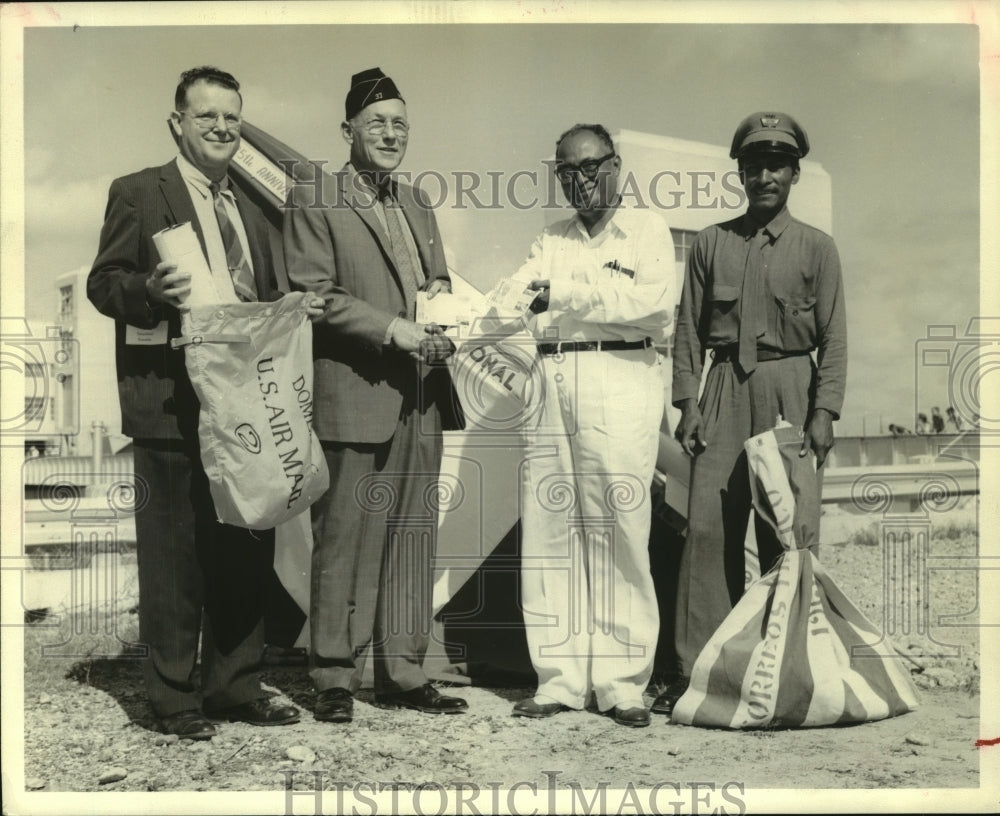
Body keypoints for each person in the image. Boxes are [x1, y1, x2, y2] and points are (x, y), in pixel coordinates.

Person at [88, 67, 316, 740]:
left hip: (244, 406)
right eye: (207, 116)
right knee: (175, 561)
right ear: (177, 124)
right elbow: (106, 285)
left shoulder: (252, 207)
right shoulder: (137, 192)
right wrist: (151, 292)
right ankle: (173, 699)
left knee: (245, 548)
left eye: (231, 118)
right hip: (169, 403)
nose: (221, 127)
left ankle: (236, 686)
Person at [283, 67, 466, 723]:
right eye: (377, 123)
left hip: (423, 394)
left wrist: (447, 322)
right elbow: (315, 294)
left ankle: (404, 672)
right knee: (342, 542)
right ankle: (333, 674)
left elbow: (437, 284)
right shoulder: (315, 195)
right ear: (347, 131)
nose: (391, 135)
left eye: (400, 125)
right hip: (355, 391)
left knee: (414, 538)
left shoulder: (419, 203)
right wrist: (395, 329)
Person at [659, 111, 847, 717]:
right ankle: (701, 672)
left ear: (794, 173)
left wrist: (825, 411)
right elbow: (687, 328)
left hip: (791, 387)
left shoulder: (817, 247)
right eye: (755, 164)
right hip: (724, 391)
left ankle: (785, 674)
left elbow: (835, 338)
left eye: (777, 164)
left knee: (786, 534)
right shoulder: (712, 242)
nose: (765, 174)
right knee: (708, 530)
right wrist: (687, 400)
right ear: (740, 171)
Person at [506, 124, 676, 728]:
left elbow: (653, 305)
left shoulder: (648, 230)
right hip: (551, 381)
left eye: (591, 167)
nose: (580, 181)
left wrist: (569, 293)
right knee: (551, 529)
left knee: (621, 527)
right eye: (567, 172)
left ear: (616, 165)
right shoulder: (549, 238)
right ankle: (559, 678)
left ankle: (623, 682)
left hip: (622, 379)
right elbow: (516, 299)